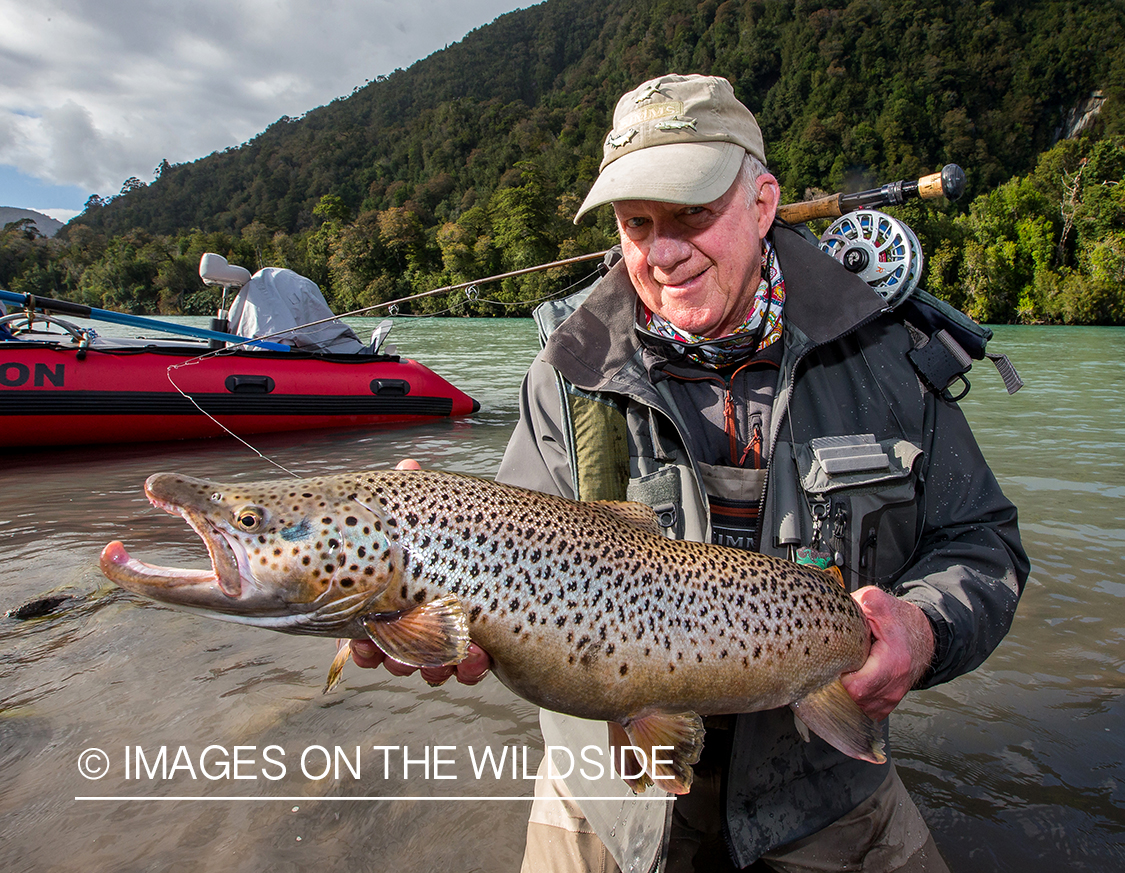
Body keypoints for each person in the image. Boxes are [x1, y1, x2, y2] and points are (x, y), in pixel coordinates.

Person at [351, 73, 1029, 872]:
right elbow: (498, 578)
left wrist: (924, 629)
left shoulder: (886, 357)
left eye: (692, 214)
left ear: (764, 201)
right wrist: (427, 568)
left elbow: (982, 546)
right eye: (637, 223)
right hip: (609, 794)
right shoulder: (566, 374)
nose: (662, 252)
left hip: (822, 792)